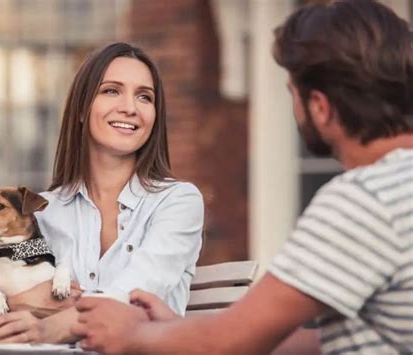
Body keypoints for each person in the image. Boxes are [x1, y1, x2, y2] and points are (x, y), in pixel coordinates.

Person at [71, 1, 413, 354]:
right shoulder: (397, 184)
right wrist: (177, 330)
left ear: (320, 108)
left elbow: (225, 344)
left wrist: (133, 335)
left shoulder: (364, 200)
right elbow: (320, 341)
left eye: (291, 93)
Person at [0, 43, 204, 343]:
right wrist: (24, 301)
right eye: (112, 91)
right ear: (80, 109)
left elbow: (137, 296)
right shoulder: (38, 212)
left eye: (144, 96)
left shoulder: (177, 203)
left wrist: (53, 323)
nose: (130, 107)